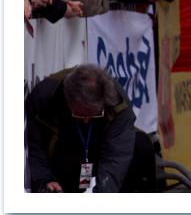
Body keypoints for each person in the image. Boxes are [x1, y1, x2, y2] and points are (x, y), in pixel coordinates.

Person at [25, 64, 137, 192]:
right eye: (80, 114)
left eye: (93, 114)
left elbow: (116, 157)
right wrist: (44, 180)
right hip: (61, 155)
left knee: (141, 146)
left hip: (95, 151)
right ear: (68, 100)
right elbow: (35, 145)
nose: (86, 120)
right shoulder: (45, 96)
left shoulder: (118, 105)